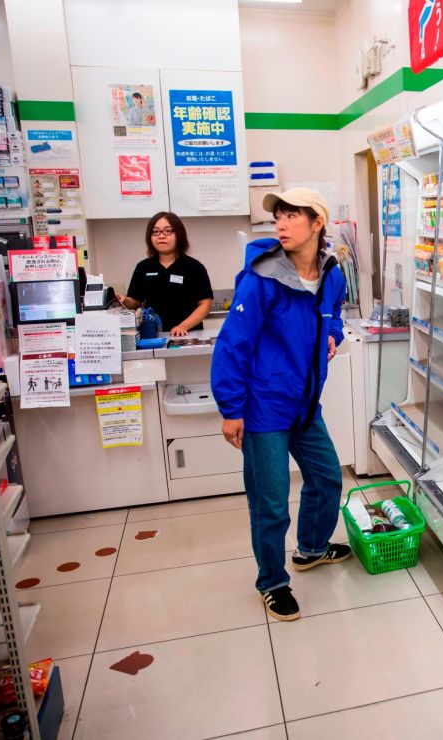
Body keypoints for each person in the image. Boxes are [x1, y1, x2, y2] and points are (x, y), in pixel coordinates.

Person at [210, 188, 349, 622]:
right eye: (278, 218)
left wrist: (334, 335)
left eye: (292, 216)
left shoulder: (332, 274)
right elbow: (232, 344)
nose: (282, 225)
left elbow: (336, 315)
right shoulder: (262, 278)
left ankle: (310, 548)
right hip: (263, 407)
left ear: (317, 223)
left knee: (327, 479)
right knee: (270, 502)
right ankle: (272, 581)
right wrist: (232, 409)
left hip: (306, 404)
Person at [117, 212, 213, 336]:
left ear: (179, 234)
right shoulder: (143, 267)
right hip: (153, 335)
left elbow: (205, 304)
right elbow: (135, 302)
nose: (161, 236)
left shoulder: (194, 267)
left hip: (189, 334)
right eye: (155, 232)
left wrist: (183, 326)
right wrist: (124, 300)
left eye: (168, 231)